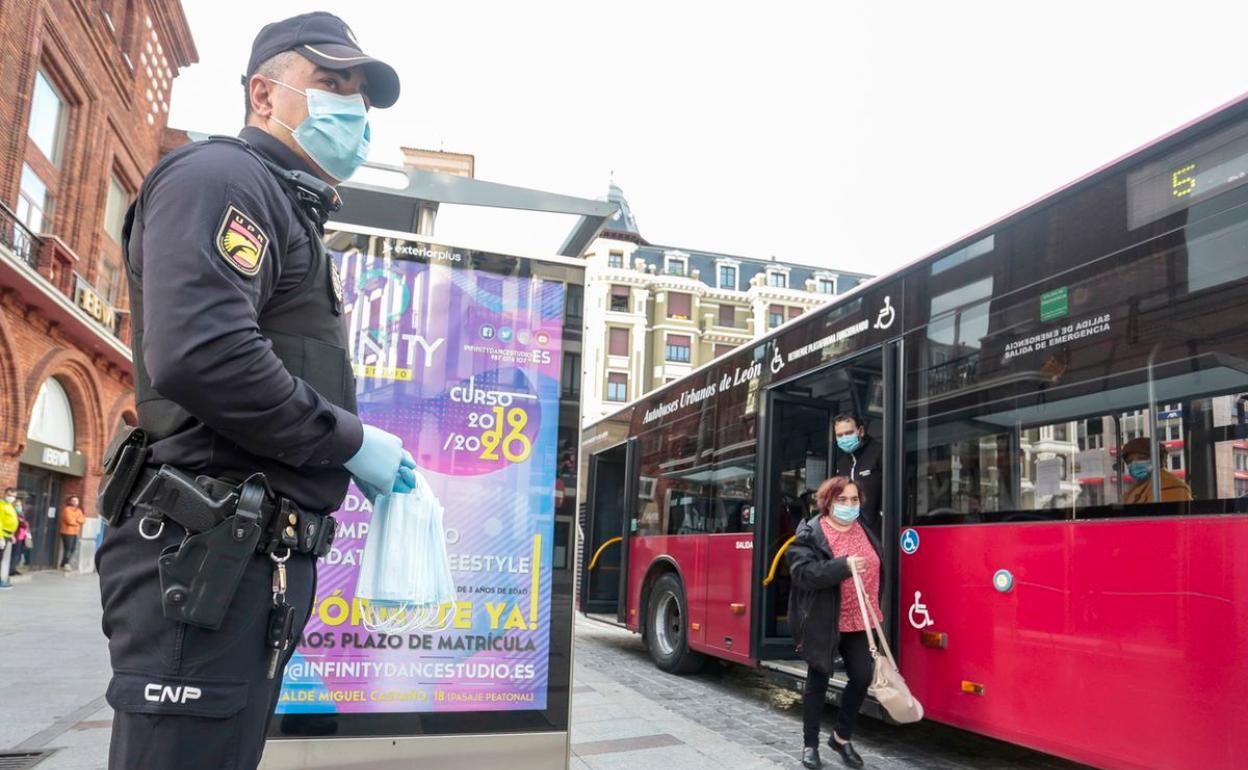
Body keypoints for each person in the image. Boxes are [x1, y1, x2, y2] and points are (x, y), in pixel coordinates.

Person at [96, 13, 408, 769]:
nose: (352, 110)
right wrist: (351, 441)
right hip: (203, 556)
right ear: (264, 94)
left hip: (240, 566)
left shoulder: (282, 203)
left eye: (360, 95)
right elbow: (205, 352)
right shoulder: (224, 179)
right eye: (332, 84)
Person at [787, 476, 884, 769]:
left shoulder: (864, 526)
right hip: (825, 619)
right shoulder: (811, 532)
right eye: (842, 500)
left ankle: (841, 737)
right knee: (818, 681)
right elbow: (803, 573)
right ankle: (810, 745)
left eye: (854, 500)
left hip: (861, 620)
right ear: (828, 502)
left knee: (863, 677)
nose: (849, 505)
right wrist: (842, 566)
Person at [832, 414, 883, 534]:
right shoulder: (842, 463)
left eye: (849, 433)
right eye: (839, 435)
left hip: (879, 533)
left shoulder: (880, 452)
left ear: (860, 431)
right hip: (850, 533)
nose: (844, 438)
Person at [1120, 437, 1193, 504]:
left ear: (1158, 460)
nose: (1134, 464)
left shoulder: (1168, 486)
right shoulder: (1138, 486)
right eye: (1129, 461)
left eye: (1142, 458)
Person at [59, 495, 86, 571]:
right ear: (70, 502)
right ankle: (66, 564)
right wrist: (78, 521)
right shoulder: (67, 510)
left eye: (76, 501)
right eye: (73, 501)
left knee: (73, 548)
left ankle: (63, 564)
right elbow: (70, 521)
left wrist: (76, 520)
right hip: (67, 532)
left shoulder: (79, 510)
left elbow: (83, 520)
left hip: (75, 532)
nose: (75, 502)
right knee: (68, 549)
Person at [0, 488, 17, 589]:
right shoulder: (1, 505)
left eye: (14, 496)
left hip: (7, 534)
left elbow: (9, 521)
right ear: (5, 494)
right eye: (10, 495)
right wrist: (0, 537)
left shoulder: (9, 505)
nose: (12, 497)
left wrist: (11, 535)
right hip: (2, 535)